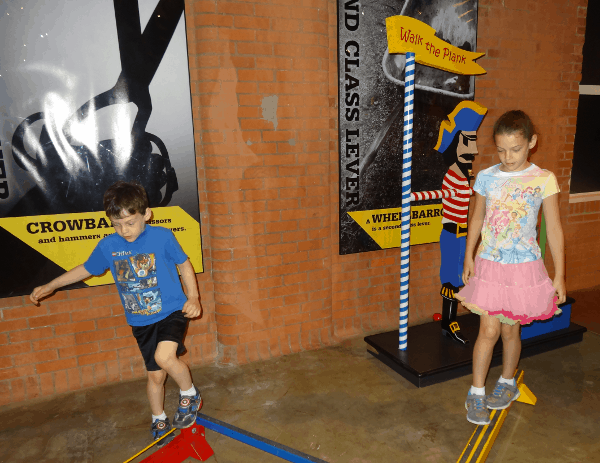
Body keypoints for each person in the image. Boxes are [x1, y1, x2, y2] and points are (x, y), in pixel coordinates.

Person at [29, 181, 203, 446]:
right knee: (155, 375)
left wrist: (193, 297)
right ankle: (159, 418)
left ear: (146, 214)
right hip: (141, 321)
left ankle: (190, 393)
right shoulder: (109, 245)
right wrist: (51, 285)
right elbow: (86, 269)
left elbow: (184, 263)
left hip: (171, 311)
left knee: (164, 357)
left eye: (130, 223)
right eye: (117, 224)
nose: (124, 230)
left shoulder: (162, 236)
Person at [457, 110, 566, 425]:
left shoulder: (543, 179)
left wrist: (559, 274)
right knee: (488, 329)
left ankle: (507, 383)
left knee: (510, 329)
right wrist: (469, 254)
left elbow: (554, 229)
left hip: (524, 267)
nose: (508, 156)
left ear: (531, 142)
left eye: (515, 149)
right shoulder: (487, 177)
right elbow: (476, 217)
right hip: (490, 263)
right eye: (501, 149)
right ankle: (476, 392)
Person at [434, 101, 488, 345]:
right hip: (451, 234)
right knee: (451, 279)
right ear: (456, 143)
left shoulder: (465, 176)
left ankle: (450, 320)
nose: (474, 150)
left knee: (461, 276)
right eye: (469, 142)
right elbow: (452, 196)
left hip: (463, 235)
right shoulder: (452, 176)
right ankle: (449, 321)